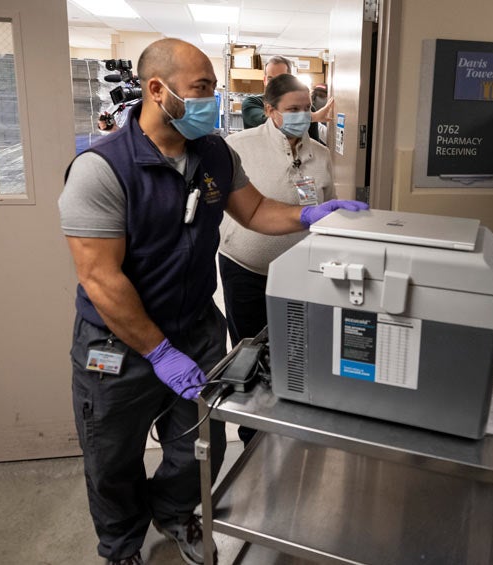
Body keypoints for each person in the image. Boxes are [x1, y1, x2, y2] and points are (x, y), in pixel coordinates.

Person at [58, 38, 367, 565]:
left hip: (196, 329)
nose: (210, 98)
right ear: (158, 90)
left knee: (197, 444)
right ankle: (122, 546)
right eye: (201, 89)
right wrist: (157, 352)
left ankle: (177, 514)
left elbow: (255, 211)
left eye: (212, 88)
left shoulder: (215, 154)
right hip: (120, 344)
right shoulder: (101, 169)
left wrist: (311, 215)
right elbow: (100, 277)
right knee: (113, 458)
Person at [219, 75, 335, 444]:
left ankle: (288, 430)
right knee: (250, 355)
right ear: (270, 111)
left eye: (307, 109)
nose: (303, 115)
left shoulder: (320, 154)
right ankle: (253, 433)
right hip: (246, 271)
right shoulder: (238, 147)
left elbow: (324, 211)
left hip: (300, 275)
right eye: (293, 110)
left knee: (294, 354)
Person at [241, 56, 335, 130]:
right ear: (265, 80)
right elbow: (267, 121)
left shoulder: (307, 109)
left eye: (281, 78)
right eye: (270, 79)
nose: (275, 84)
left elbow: (313, 146)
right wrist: (312, 117)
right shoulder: (252, 103)